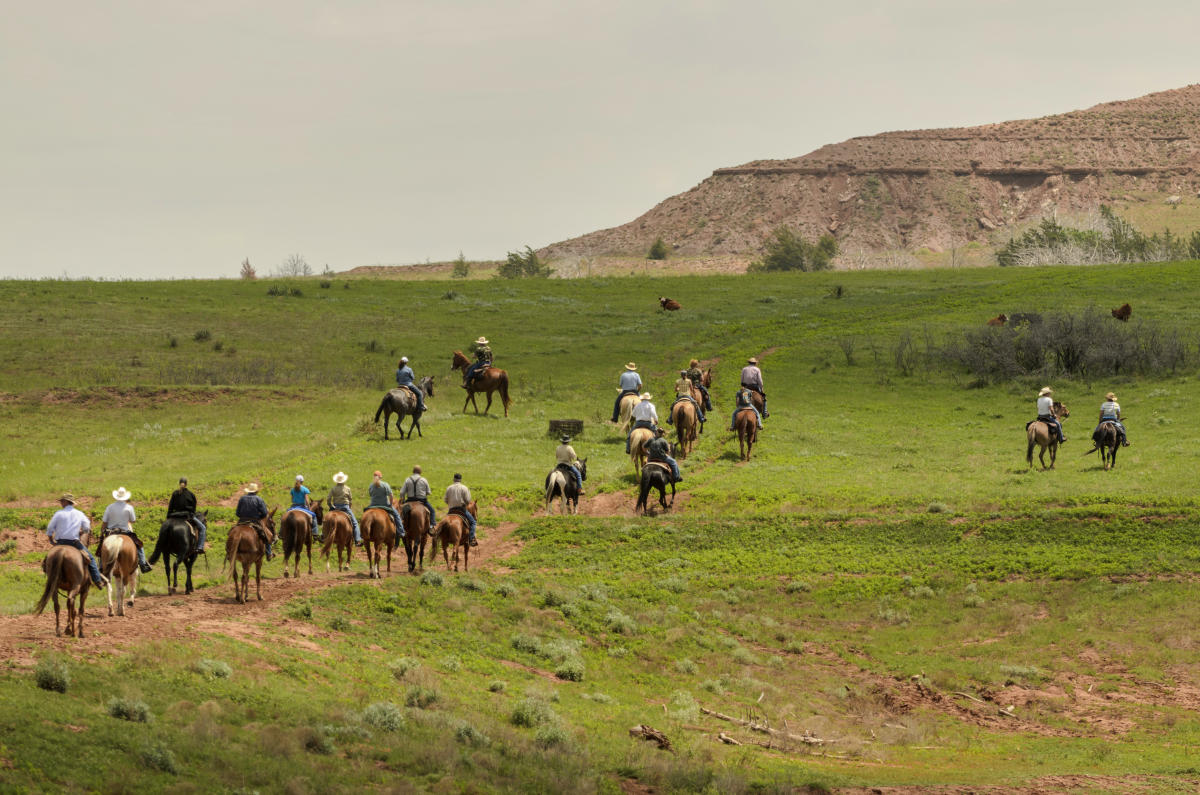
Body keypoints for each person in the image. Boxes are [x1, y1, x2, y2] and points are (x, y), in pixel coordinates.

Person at [46, 493, 107, 587]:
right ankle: (97, 581)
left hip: (60, 543)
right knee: (91, 559)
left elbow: (50, 528)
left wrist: (51, 539)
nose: (61, 503)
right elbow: (87, 527)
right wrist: (82, 532)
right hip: (74, 543)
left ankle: (49, 580)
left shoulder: (58, 514)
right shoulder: (79, 514)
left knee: (46, 561)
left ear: (66, 502)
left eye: (62, 501)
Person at [100, 486, 152, 573]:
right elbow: (133, 520)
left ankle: (101, 565)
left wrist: (102, 532)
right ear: (125, 497)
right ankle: (143, 564)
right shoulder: (129, 508)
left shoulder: (109, 507)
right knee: (139, 545)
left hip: (111, 532)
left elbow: (104, 522)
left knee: (102, 547)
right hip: (125, 532)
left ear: (116, 496)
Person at [167, 477, 207, 553]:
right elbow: (193, 509)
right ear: (186, 484)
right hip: (187, 516)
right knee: (203, 528)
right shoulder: (191, 494)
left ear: (179, 483)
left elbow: (170, 506)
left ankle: (164, 546)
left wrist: (169, 516)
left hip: (174, 516)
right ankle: (200, 547)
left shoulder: (175, 494)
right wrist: (191, 514)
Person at [235, 483, 274, 560]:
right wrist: (259, 517)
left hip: (242, 521)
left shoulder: (242, 498)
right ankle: (269, 553)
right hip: (255, 521)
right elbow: (264, 513)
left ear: (248, 491)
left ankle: (229, 553)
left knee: (232, 532)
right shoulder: (259, 499)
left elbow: (237, 513)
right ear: (256, 491)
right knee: (266, 535)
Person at [327, 472, 362, 545]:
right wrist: (349, 507)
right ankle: (357, 540)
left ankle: (323, 536)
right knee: (355, 523)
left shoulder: (333, 489)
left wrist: (331, 506)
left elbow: (328, 499)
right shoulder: (347, 488)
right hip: (345, 507)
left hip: (335, 507)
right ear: (344, 480)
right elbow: (350, 500)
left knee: (326, 521)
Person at [367, 470, 405, 538]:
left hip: (372, 505)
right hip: (384, 505)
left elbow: (370, 494)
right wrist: (390, 504)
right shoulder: (385, 485)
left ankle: (362, 534)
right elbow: (391, 496)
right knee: (396, 515)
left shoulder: (371, 485)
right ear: (380, 477)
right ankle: (401, 531)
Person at [444, 473, 476, 547]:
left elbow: (445, 500)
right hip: (461, 509)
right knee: (473, 522)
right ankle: (471, 539)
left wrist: (451, 504)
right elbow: (468, 501)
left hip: (451, 510)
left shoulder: (449, 488)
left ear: (454, 479)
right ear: (460, 480)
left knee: (444, 522)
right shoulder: (464, 488)